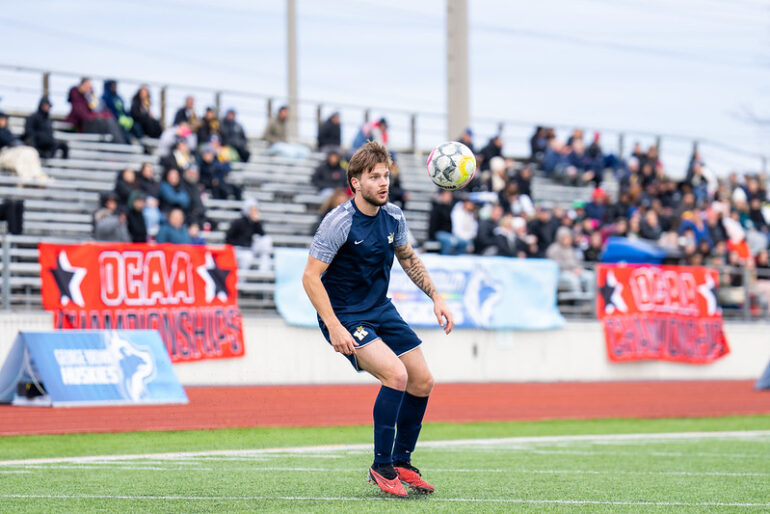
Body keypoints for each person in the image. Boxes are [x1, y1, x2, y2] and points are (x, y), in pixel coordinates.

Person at [302, 141, 452, 497]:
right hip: (345, 315)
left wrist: (436, 296)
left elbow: (409, 258)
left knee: (422, 380)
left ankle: (401, 462)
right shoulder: (338, 221)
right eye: (374, 177)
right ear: (355, 182)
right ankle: (381, 466)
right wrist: (334, 326)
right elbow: (310, 277)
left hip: (380, 309)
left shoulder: (394, 216)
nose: (383, 182)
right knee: (395, 375)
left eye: (385, 175)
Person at [65, 78, 127, 144]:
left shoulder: (88, 97)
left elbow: (97, 108)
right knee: (104, 122)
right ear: (81, 85)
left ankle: (120, 144)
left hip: (89, 123)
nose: (89, 88)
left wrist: (92, 96)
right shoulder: (77, 97)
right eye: (87, 86)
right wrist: (95, 115)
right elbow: (82, 114)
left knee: (110, 121)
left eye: (90, 86)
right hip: (79, 125)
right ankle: (119, 145)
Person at [0, 111, 50, 184]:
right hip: (3, 155)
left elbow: (14, 140)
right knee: (23, 154)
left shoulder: (7, 131)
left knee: (32, 151)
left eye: (4, 119)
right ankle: (26, 180)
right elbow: (9, 141)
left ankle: (38, 178)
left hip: (13, 152)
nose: (4, 121)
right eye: (2, 119)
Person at [225, 198, 273, 271]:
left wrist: (257, 222)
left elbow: (262, 234)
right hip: (238, 249)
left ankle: (263, 274)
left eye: (256, 210)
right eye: (252, 210)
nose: (255, 212)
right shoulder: (239, 222)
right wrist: (238, 245)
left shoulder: (254, 223)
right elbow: (228, 237)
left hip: (249, 249)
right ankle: (242, 279)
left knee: (266, 249)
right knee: (246, 257)